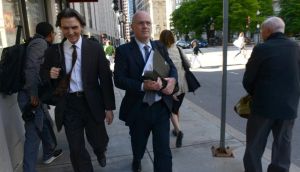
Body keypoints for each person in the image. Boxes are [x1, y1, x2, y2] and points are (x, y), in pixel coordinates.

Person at [40, 8, 115, 172]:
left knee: (99, 140)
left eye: (74, 27)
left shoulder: (94, 48)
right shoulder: (54, 51)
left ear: (81, 26)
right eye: (65, 28)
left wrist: (109, 107)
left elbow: (106, 78)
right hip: (69, 105)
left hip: (92, 102)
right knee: (76, 148)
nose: (71, 32)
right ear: (60, 28)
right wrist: (49, 73)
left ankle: (100, 151)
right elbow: (43, 73)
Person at [114, 11, 178, 172]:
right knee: (138, 144)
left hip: (161, 108)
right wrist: (143, 86)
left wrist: (172, 80)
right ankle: (137, 158)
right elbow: (119, 79)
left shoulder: (159, 46)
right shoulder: (123, 51)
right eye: (141, 23)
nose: (145, 26)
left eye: (148, 23)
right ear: (132, 27)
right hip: (138, 109)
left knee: (163, 151)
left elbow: (172, 67)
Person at [243, 16, 300, 172]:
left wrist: (256, 93)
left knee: (254, 146)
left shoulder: (262, 49)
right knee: (283, 147)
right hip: (289, 107)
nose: (261, 33)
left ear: (267, 31)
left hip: (263, 107)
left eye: (262, 30)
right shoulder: (296, 47)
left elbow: (248, 80)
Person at [17, 22, 62, 172]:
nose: (54, 36)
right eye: (53, 33)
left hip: (35, 94)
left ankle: (49, 152)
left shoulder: (36, 43)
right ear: (49, 34)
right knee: (33, 134)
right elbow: (31, 70)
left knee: (46, 123)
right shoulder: (40, 44)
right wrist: (34, 96)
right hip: (31, 96)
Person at [159, 30, 190, 148]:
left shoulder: (161, 52)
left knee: (171, 110)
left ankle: (178, 131)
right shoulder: (178, 49)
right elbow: (188, 63)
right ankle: (176, 130)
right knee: (176, 109)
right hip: (183, 85)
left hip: (171, 86)